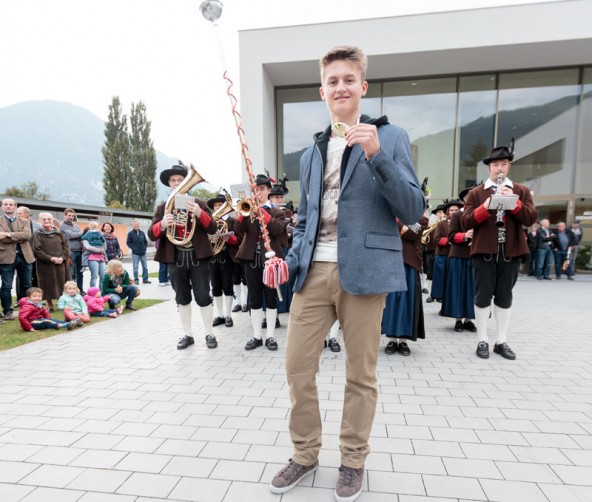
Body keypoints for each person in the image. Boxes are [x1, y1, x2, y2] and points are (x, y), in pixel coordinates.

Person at [269, 46, 425, 502]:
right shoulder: (311, 151)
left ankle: (353, 462)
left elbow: (413, 209)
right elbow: (305, 220)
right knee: (297, 368)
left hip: (366, 270)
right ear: (323, 91)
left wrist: (377, 156)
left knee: (361, 375)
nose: (341, 87)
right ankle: (305, 453)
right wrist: (290, 260)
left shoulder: (391, 137)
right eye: (332, 81)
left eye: (348, 79)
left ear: (363, 86)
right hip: (313, 273)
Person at [462, 139, 537, 360]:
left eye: (503, 164)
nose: (499, 168)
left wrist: (514, 203)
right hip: (484, 251)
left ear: (509, 166)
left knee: (505, 296)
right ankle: (482, 339)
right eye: (495, 165)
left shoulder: (521, 191)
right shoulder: (476, 193)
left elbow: (531, 217)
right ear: (489, 168)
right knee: (482, 296)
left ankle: (501, 340)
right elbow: (466, 222)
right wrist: (485, 207)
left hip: (510, 250)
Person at [147, 164, 219, 350]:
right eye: (173, 180)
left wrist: (199, 213)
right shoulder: (163, 207)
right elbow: (152, 234)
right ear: (169, 184)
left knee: (203, 296)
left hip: (198, 257)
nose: (177, 183)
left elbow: (212, 228)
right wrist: (162, 224)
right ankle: (188, 334)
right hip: (176, 257)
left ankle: (209, 333)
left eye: (180, 180)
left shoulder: (199, 203)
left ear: (187, 183)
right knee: (182, 297)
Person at [234, 174, 289, 351]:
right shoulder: (247, 210)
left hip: (270, 262)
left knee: (271, 299)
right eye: (256, 189)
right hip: (251, 259)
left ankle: (271, 336)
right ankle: (257, 336)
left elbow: (278, 230)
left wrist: (262, 213)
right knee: (255, 299)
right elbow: (238, 230)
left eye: (262, 189)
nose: (259, 192)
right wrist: (244, 213)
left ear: (269, 191)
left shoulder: (276, 211)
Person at [382, 216, 428, 356]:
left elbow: (409, 234)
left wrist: (395, 220)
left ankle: (403, 340)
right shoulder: (390, 215)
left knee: (407, 303)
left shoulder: (422, 219)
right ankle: (391, 339)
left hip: (410, 264)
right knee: (390, 303)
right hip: (390, 261)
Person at [441, 195, 477, 333]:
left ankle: (469, 320)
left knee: (472, 290)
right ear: (464, 200)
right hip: (458, 257)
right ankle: (458, 320)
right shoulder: (456, 215)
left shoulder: (481, 214)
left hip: (475, 257)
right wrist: (465, 235)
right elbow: (450, 237)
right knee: (458, 289)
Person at [208, 193, 240, 328]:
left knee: (227, 286)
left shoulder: (232, 221)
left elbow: (239, 239)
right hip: (213, 256)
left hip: (227, 256)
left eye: (220, 205)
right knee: (215, 287)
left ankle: (228, 315)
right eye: (215, 206)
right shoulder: (211, 222)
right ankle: (220, 315)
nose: (217, 207)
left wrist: (229, 239)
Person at [0, 198, 35, 320]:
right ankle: (8, 311)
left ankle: (28, 308)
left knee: (27, 284)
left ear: (15, 206)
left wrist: (8, 234)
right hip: (6, 257)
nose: (8, 206)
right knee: (6, 286)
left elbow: (26, 235)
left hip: (25, 256)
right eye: (6, 204)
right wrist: (17, 235)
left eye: (11, 204)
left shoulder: (24, 221)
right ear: (2, 207)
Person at [32, 212, 72, 312]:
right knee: (47, 283)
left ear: (52, 220)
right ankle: (50, 305)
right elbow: (36, 250)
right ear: (40, 221)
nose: (47, 221)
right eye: (44, 219)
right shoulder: (37, 234)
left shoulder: (58, 233)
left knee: (62, 282)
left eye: (49, 219)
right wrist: (50, 258)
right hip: (45, 264)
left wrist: (63, 258)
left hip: (61, 263)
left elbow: (66, 246)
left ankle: (63, 303)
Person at [15, 206, 41, 300]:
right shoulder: (15, 224)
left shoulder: (37, 226)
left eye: (19, 214)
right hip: (20, 254)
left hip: (35, 254)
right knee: (20, 277)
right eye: (17, 214)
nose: (17, 216)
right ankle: (20, 298)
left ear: (27, 214)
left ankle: (35, 298)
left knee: (35, 276)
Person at [60, 208, 84, 292]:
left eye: (72, 216)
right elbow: (70, 235)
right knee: (71, 274)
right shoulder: (62, 225)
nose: (71, 217)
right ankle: (70, 292)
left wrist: (80, 234)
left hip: (80, 251)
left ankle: (80, 290)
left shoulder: (76, 226)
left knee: (80, 273)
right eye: (69, 215)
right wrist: (83, 232)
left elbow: (80, 236)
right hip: (70, 252)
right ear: (65, 215)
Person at [81, 222, 107, 288]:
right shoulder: (86, 237)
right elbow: (88, 247)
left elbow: (105, 246)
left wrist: (101, 250)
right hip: (92, 258)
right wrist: (99, 250)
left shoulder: (100, 235)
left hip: (101, 258)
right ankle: (92, 292)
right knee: (94, 276)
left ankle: (101, 291)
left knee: (103, 276)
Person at [126, 220, 151, 284]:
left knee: (145, 267)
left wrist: (145, 248)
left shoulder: (142, 233)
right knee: (135, 267)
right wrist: (133, 248)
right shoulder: (130, 233)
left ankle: (145, 279)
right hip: (135, 254)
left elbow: (145, 241)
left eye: (137, 224)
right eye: (135, 225)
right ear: (133, 225)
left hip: (143, 253)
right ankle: (136, 280)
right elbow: (128, 242)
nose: (136, 226)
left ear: (139, 225)